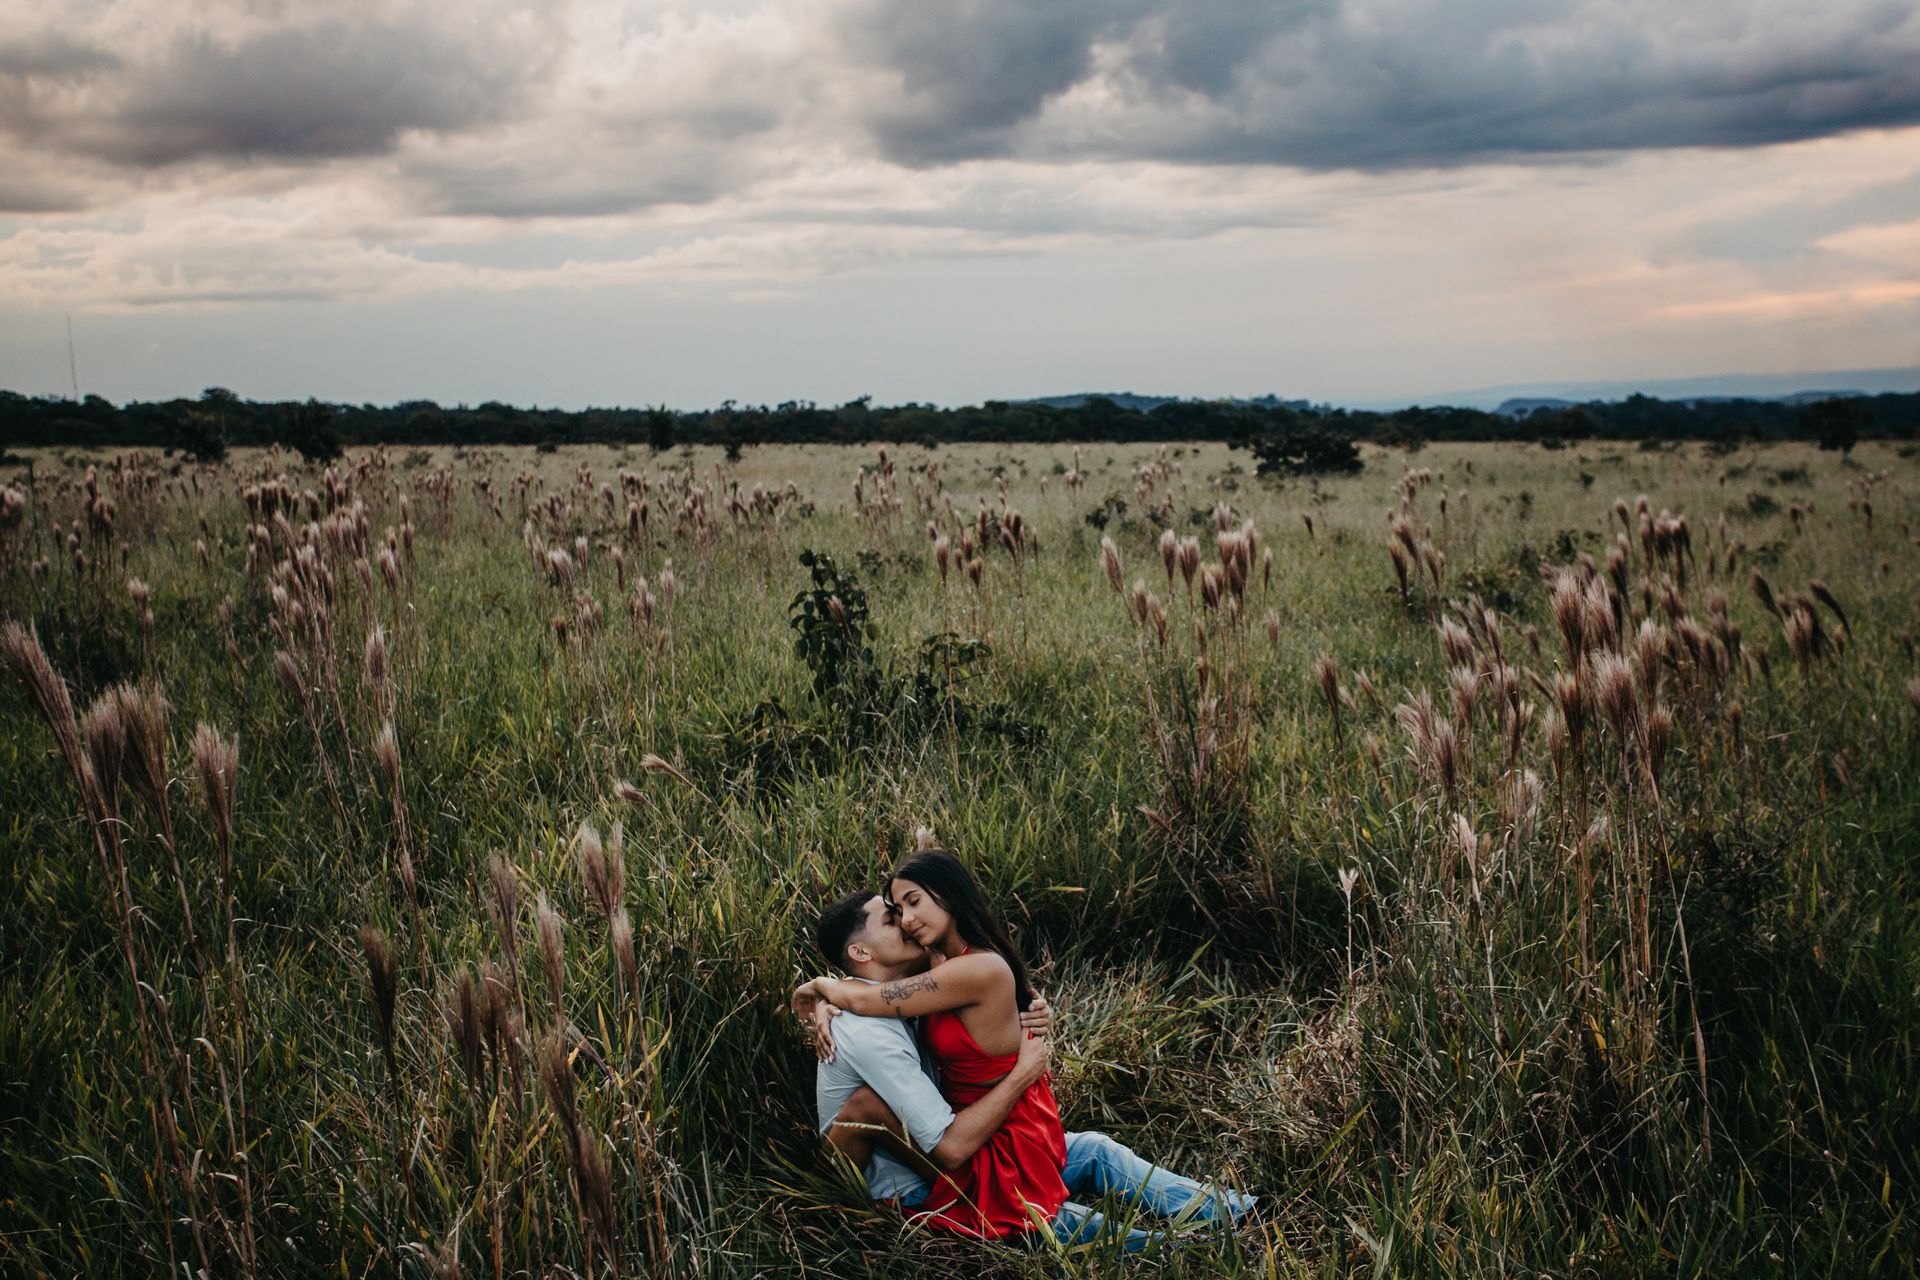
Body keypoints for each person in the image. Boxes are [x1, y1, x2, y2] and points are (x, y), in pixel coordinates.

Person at [798, 848, 1256, 1251]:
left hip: (971, 1143)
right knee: (1052, 1217)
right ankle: (1194, 1250)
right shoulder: (867, 1028)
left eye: (908, 907)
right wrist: (1022, 1071)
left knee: (1095, 1149)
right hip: (923, 1184)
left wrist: (825, 992)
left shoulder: (914, 982)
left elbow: (946, 983)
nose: (906, 921)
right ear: (860, 953)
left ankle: (1237, 1212)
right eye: (893, 915)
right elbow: (951, 1148)